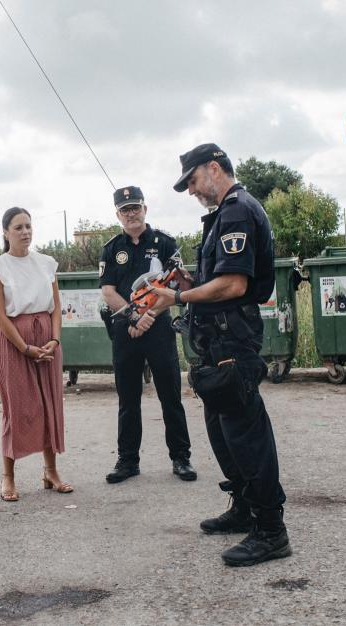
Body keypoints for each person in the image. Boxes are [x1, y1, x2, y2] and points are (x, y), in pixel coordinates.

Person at [153, 143, 290, 567]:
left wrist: (176, 295)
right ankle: (244, 508)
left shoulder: (236, 211)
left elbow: (233, 286)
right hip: (217, 340)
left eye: (193, 181)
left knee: (246, 435)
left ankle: (271, 530)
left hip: (234, 339)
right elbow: (220, 278)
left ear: (214, 168)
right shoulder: (223, 215)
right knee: (222, 430)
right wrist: (191, 280)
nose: (192, 191)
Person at [100, 185, 195, 484]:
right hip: (125, 328)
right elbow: (108, 291)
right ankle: (127, 461)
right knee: (128, 398)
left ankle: (181, 458)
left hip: (158, 327)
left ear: (145, 209)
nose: (131, 214)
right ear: (118, 214)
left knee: (170, 395)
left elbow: (178, 285)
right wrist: (133, 315)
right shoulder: (112, 248)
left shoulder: (165, 243)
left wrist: (149, 315)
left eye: (136, 208)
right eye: (125, 210)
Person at [0, 207, 71, 501]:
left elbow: (56, 307)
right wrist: (24, 347)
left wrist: (55, 340)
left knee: (49, 405)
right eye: (18, 227)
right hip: (14, 343)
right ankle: (8, 477)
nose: (25, 232)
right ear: (6, 232)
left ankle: (51, 471)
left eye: (28, 226)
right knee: (17, 408)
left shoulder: (46, 263)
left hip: (46, 340)